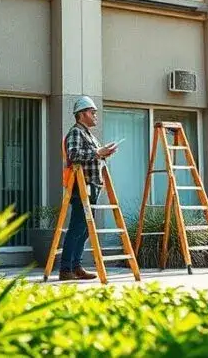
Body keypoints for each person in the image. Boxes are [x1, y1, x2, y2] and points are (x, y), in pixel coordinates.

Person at [58, 96, 118, 281]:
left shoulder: (89, 134)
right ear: (82, 114)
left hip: (92, 185)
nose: (95, 116)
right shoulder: (76, 132)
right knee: (77, 226)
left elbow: (92, 156)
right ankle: (66, 268)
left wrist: (103, 152)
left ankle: (76, 266)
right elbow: (74, 154)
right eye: (92, 112)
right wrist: (97, 152)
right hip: (80, 186)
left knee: (84, 229)